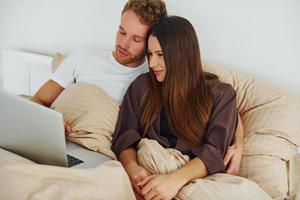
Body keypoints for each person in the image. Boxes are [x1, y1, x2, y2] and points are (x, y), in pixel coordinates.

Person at [31, 0, 241, 175]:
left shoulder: (154, 77)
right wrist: (52, 122)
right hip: (58, 142)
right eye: (121, 32)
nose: (124, 44)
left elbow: (221, 108)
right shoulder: (83, 58)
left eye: (136, 39)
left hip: (100, 155)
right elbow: (37, 101)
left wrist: (238, 144)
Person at [112, 16, 240, 200]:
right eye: (150, 54)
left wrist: (173, 181)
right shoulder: (142, 86)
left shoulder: (221, 95)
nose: (153, 63)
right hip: (145, 178)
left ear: (182, 54)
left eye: (160, 55)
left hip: (191, 179)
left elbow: (215, 152)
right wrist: (132, 169)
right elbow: (125, 136)